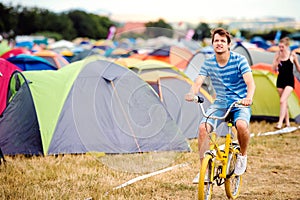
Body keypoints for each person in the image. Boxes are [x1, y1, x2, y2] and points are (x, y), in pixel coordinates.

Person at [185, 28, 256, 183]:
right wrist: (192, 93)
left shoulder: (239, 60)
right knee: (203, 128)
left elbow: (250, 83)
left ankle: (242, 156)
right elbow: (198, 81)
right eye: (216, 41)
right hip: (220, 103)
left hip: (239, 103)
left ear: (228, 44)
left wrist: (248, 98)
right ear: (212, 44)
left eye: (222, 41)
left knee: (242, 126)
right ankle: (204, 169)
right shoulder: (209, 63)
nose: (219, 43)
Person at [272, 37, 300, 129]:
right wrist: (276, 61)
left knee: (282, 100)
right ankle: (287, 123)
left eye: (282, 47)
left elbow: (298, 69)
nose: (280, 49)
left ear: (287, 46)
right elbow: (274, 69)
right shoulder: (277, 55)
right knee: (284, 102)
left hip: (289, 80)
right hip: (280, 80)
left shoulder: (292, 55)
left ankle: (280, 123)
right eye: (279, 47)